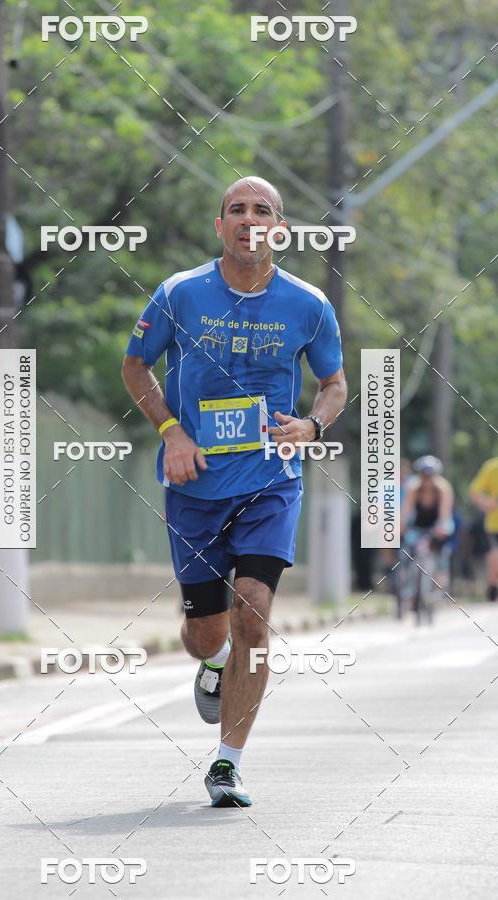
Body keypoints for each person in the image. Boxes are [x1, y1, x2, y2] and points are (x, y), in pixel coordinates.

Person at [121, 176, 346, 807]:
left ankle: (227, 761)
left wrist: (311, 424)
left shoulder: (309, 305)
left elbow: (335, 383)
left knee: (253, 610)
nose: (249, 219)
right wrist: (171, 433)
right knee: (206, 633)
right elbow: (134, 364)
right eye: (236, 209)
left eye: (262, 211)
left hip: (271, 480)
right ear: (220, 225)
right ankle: (212, 660)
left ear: (280, 228)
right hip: (195, 484)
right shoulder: (180, 294)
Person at [399, 455, 454, 612]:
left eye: (430, 475)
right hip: (417, 526)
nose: (428, 478)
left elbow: (445, 514)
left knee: (440, 551)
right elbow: (406, 511)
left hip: (437, 525)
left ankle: (440, 584)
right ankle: (408, 589)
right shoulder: (413, 488)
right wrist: (401, 526)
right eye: (425, 475)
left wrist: (441, 528)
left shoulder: (443, 489)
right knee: (408, 550)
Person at [469, 455, 498, 601]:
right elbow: (474, 491)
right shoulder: (492, 466)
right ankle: (492, 586)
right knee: (495, 554)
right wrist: (488, 504)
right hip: (495, 524)